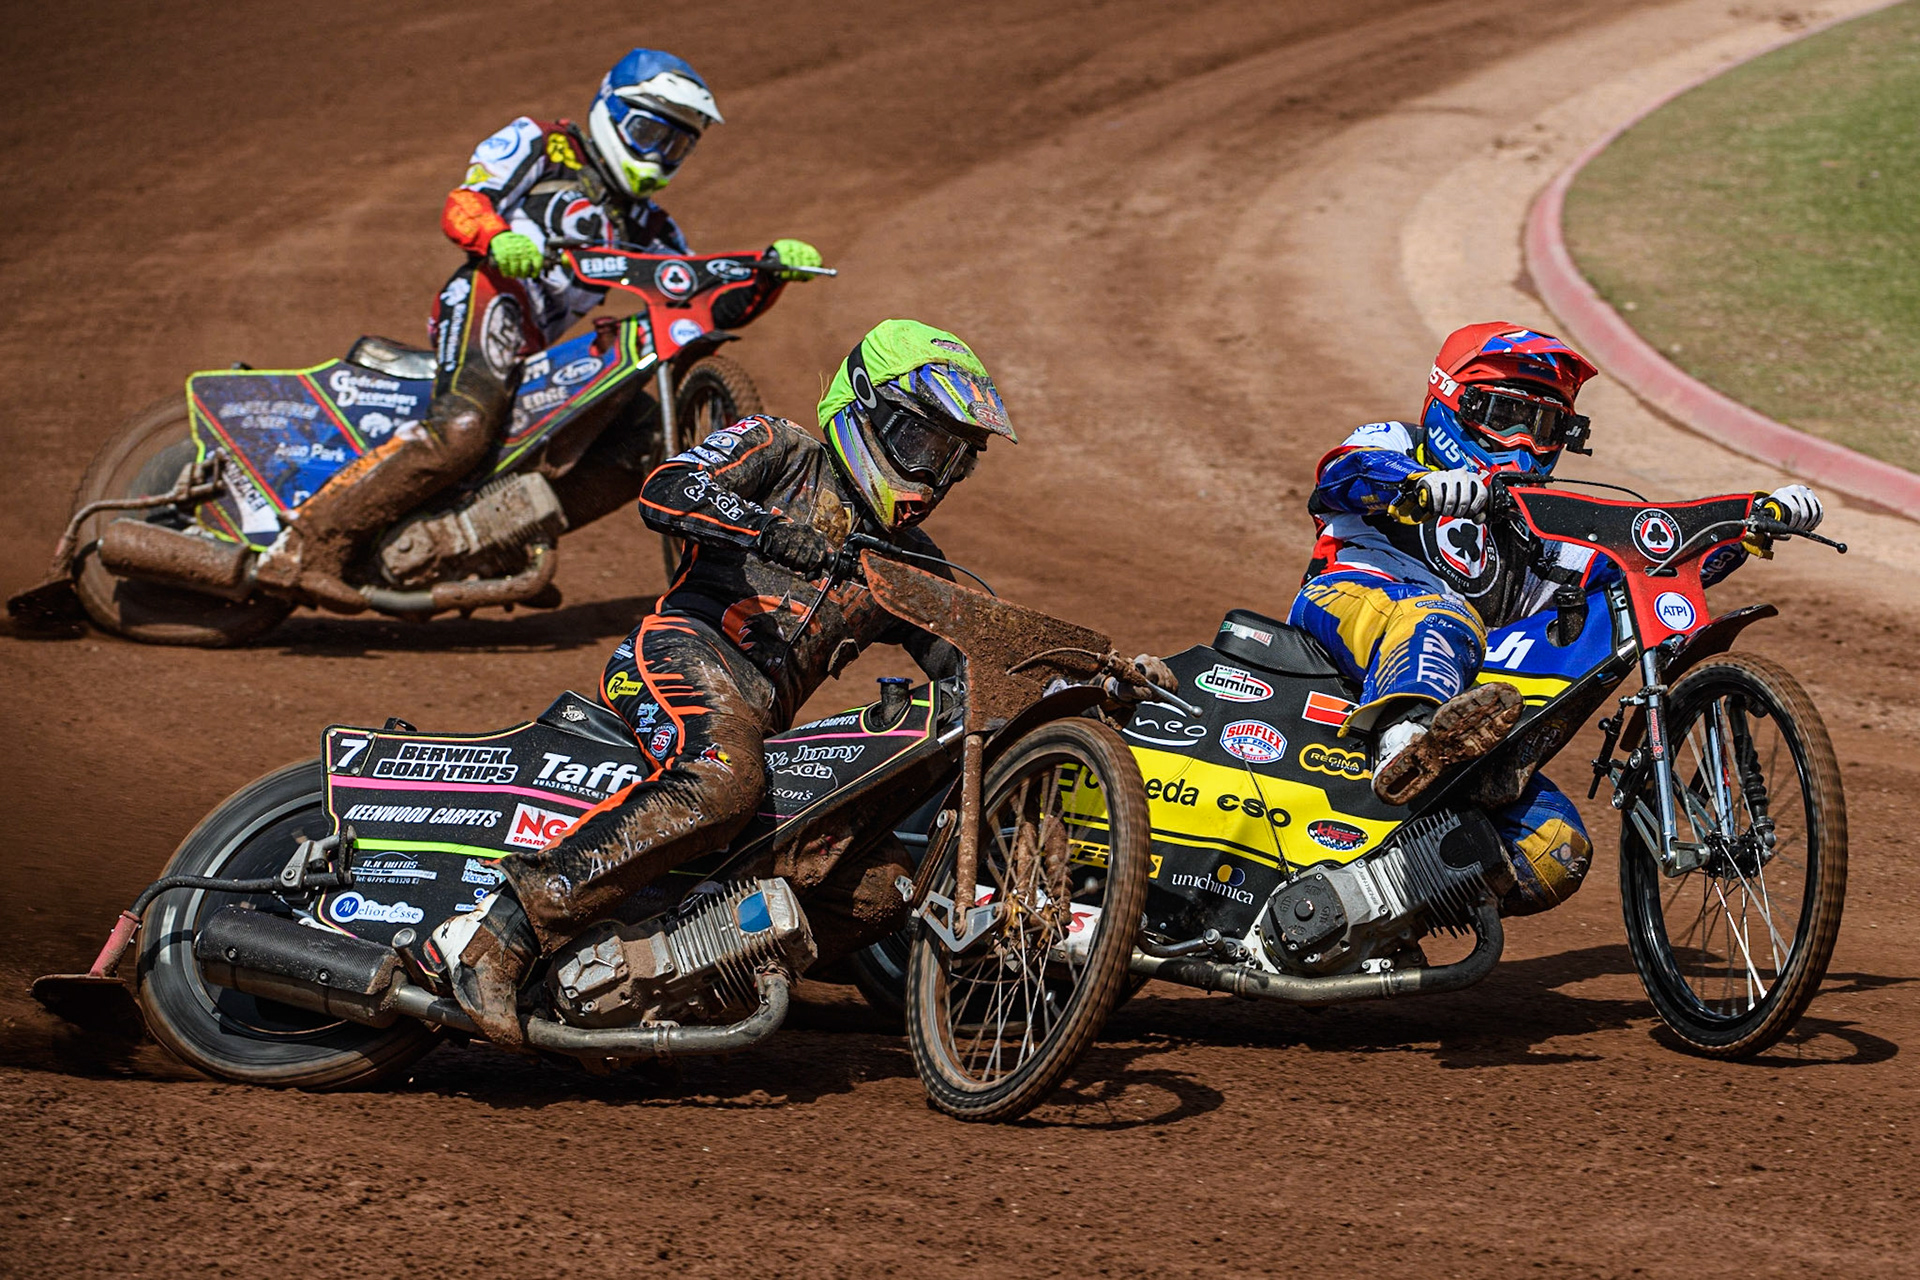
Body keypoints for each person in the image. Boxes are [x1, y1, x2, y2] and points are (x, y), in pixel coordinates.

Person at [431, 319, 1017, 1046]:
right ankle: (505, 932)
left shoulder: (910, 565)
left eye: (955, 460)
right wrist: (764, 529)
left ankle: (663, 976)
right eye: (926, 446)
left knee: (881, 891)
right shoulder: (784, 449)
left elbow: (965, 658)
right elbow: (667, 487)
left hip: (760, 716)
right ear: (867, 409)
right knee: (723, 775)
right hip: (681, 651)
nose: (934, 476)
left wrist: (1083, 675)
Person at [255, 47, 822, 612]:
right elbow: (466, 201)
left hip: (536, 348)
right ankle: (307, 546)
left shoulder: (647, 223)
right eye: (649, 131)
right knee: (463, 429)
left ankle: (490, 546)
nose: (658, 154)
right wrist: (497, 237)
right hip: (491, 298)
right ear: (611, 111)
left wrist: (767, 273)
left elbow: (699, 300)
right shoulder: (544, 145)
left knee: (642, 442)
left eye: (676, 144)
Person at [1287, 321, 1824, 914]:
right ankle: (1405, 740)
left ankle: (1363, 903)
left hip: (1462, 698)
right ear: (1450, 402)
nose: (1521, 440)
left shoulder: (1548, 534)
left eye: (1542, 425)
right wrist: (1420, 484)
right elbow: (1342, 474)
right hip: (1352, 607)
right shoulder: (1394, 442)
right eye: (1502, 413)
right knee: (1443, 617)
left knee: (1554, 851)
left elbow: (1647, 566)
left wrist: (1750, 523)